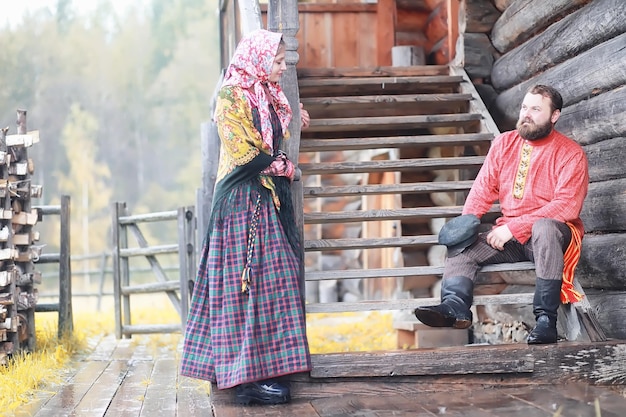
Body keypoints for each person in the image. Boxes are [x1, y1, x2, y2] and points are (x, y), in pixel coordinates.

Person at [180, 29, 311, 405]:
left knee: (276, 283)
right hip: (240, 200)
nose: (283, 67)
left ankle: (262, 371)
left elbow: (276, 129)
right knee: (246, 287)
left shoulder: (266, 94)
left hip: (263, 198)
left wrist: (293, 118)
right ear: (257, 59)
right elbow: (245, 153)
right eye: (278, 60)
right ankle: (244, 380)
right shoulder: (230, 96)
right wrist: (285, 167)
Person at [414, 85, 589, 345]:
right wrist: (466, 224)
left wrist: (513, 228)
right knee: (463, 245)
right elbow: (483, 188)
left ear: (554, 116)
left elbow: (566, 206)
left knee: (544, 227)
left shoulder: (570, 154)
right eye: (524, 107)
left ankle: (545, 320)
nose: (527, 114)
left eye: (536, 109)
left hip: (552, 238)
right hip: (510, 236)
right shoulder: (504, 143)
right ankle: (455, 307)